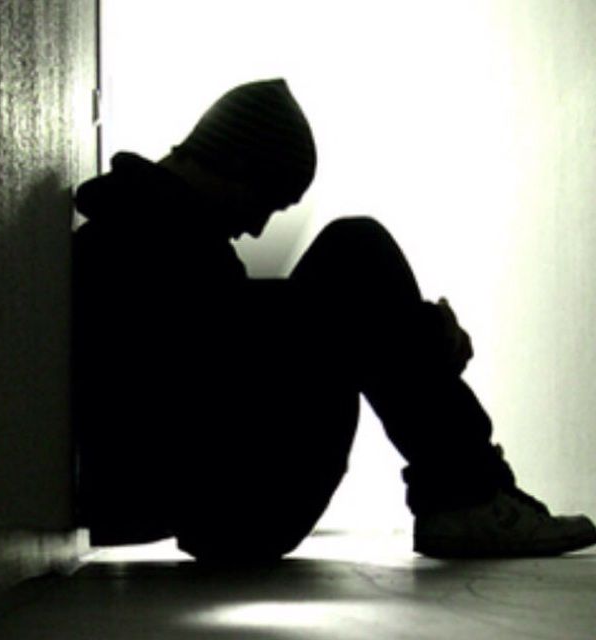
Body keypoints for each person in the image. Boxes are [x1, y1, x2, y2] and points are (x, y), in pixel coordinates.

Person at [72, 78, 596, 562]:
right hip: (222, 503)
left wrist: (406, 331)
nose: (257, 228)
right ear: (235, 163)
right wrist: (423, 334)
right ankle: (467, 496)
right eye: (265, 201)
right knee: (356, 250)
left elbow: (235, 335)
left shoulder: (149, 228)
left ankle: (466, 494)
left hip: (215, 496)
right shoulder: (137, 241)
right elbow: (227, 346)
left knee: (354, 270)